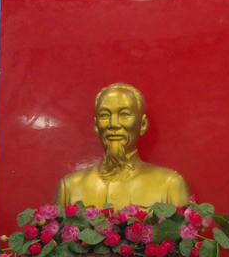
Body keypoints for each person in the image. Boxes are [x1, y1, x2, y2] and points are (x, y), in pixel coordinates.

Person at [55, 82, 190, 208]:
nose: (113, 124)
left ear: (142, 125)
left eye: (124, 114)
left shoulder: (169, 185)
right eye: (105, 115)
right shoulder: (70, 187)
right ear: (96, 126)